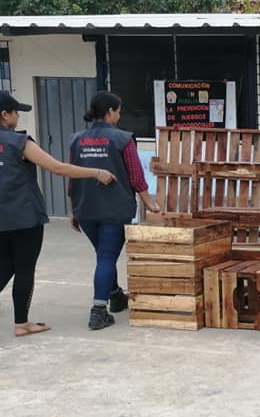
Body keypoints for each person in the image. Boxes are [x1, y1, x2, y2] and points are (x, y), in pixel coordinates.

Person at [0, 90, 116, 337]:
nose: (18, 116)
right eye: (15, 112)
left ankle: (22, 322)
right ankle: (22, 323)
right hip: (24, 217)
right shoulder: (18, 142)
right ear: (4, 115)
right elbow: (57, 167)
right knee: (24, 269)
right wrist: (96, 172)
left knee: (5, 266)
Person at [69, 91, 160, 330]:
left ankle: (115, 295)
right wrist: (150, 203)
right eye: (118, 111)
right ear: (110, 111)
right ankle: (98, 311)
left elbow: (71, 177)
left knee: (103, 254)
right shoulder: (122, 139)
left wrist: (73, 210)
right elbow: (136, 176)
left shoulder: (77, 139)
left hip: (85, 208)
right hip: (114, 209)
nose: (119, 116)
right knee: (107, 258)